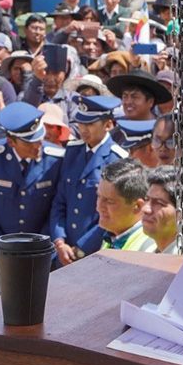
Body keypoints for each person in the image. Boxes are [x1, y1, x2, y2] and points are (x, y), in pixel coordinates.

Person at [0, 103, 65, 284]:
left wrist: (40, 245)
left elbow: (57, 207)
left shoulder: (55, 158)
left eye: (41, 138)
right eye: (30, 142)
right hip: (0, 253)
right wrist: (2, 246)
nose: (38, 146)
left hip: (41, 253)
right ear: (11, 142)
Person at [50, 94, 127, 262]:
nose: (83, 129)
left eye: (90, 124)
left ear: (108, 124)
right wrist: (59, 241)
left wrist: (81, 248)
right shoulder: (73, 151)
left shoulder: (117, 159)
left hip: (94, 251)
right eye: (81, 123)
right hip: (64, 249)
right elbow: (60, 200)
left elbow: (111, 215)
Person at [80, 159, 156, 253]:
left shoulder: (149, 249)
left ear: (138, 206)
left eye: (109, 201)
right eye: (99, 196)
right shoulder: (111, 237)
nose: (99, 207)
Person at [105, 69, 171, 123]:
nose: (128, 102)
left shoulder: (163, 133)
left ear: (150, 102)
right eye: (125, 97)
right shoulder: (117, 134)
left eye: (135, 97)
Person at [140, 166, 180, 254]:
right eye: (147, 199)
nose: (146, 209)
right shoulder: (146, 252)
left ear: (181, 213)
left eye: (158, 203)